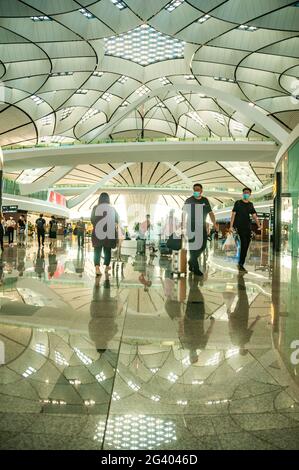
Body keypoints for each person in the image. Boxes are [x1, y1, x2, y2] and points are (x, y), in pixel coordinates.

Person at [183, 183, 219, 276]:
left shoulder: (205, 200)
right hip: (191, 226)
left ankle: (191, 261)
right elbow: (183, 213)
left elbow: (211, 213)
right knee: (192, 247)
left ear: (201, 191)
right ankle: (196, 268)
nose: (196, 191)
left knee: (202, 246)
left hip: (201, 226)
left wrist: (214, 223)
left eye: (198, 189)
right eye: (194, 190)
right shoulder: (189, 200)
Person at [229, 187, 262, 273]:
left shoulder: (250, 204)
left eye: (248, 193)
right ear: (243, 193)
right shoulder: (238, 203)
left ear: (250, 194)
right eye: (245, 192)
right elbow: (233, 215)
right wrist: (230, 226)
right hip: (239, 227)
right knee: (243, 243)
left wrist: (259, 225)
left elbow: (254, 216)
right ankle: (241, 264)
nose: (246, 194)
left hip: (248, 227)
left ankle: (241, 262)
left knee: (246, 245)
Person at [228, 274, 260, 355]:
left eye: (244, 349)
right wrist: (230, 318)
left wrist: (257, 320)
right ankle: (240, 278)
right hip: (238, 316)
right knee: (242, 297)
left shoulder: (244, 340)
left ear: (243, 349)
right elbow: (231, 329)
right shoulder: (235, 342)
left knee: (242, 296)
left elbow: (250, 328)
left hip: (242, 315)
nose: (244, 347)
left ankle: (240, 277)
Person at [91, 192, 119, 277]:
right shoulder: (112, 209)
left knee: (97, 250)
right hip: (109, 232)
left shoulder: (95, 208)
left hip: (97, 232)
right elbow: (116, 220)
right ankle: (107, 267)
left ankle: (97, 268)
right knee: (107, 250)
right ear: (108, 199)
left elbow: (92, 220)